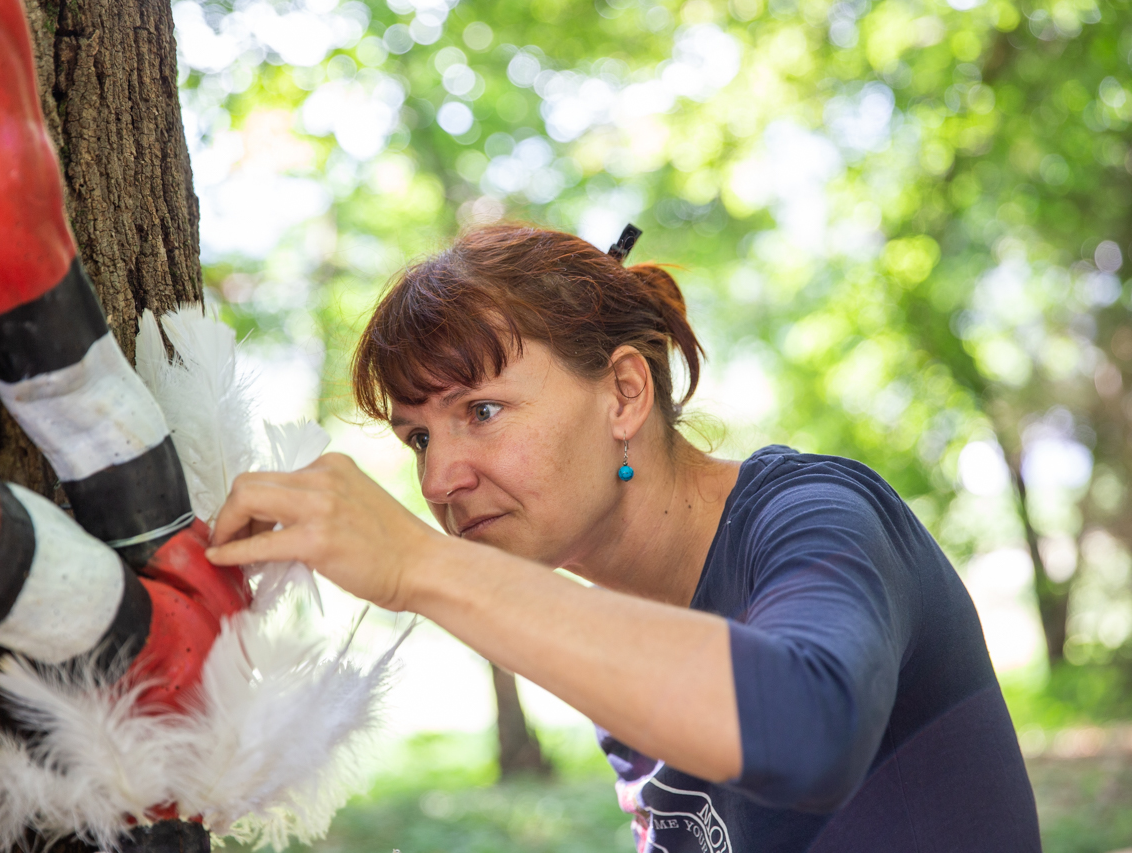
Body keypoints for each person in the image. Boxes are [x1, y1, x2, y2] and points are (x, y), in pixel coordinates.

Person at [205, 224, 1042, 852]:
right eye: (419, 436)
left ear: (623, 395)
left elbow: (810, 725)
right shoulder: (616, 637)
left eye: (482, 411)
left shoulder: (816, 516)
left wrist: (420, 564)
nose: (436, 481)